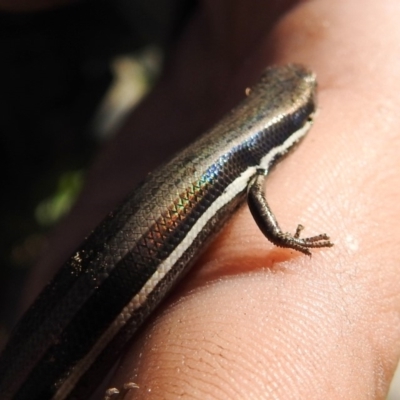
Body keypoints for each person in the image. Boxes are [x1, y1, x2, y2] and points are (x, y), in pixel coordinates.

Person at [4, 1, 400, 398]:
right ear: (298, 122)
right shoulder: (252, 166)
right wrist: (284, 240)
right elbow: (258, 205)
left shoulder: (242, 151)